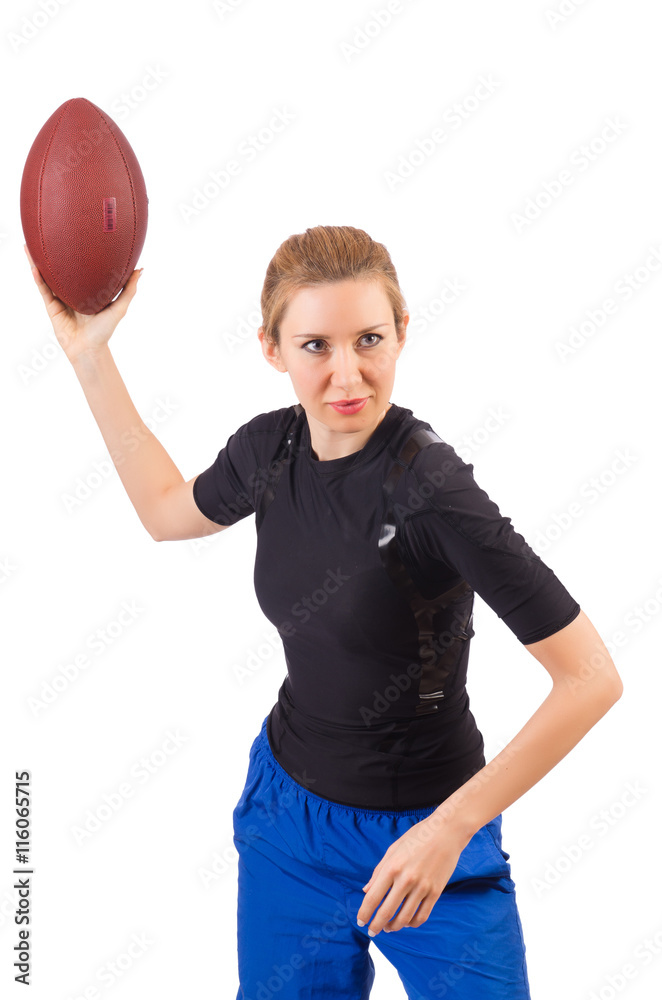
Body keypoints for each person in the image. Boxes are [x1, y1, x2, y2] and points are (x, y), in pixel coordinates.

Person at [24, 227, 623, 999]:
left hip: (433, 835)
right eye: (315, 345)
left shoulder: (433, 492)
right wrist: (90, 358)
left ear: (403, 332)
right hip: (289, 827)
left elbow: (592, 678)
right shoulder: (269, 452)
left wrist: (449, 829)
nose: (348, 373)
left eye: (369, 339)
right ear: (273, 350)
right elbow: (166, 512)